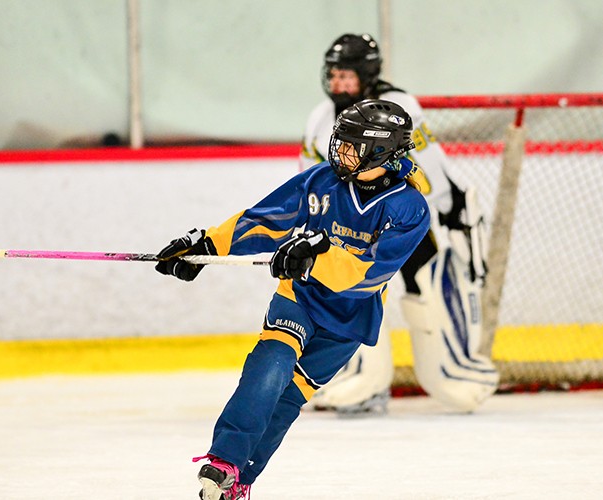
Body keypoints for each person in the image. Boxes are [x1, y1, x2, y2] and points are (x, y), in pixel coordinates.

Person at [156, 99, 430, 500]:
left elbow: (371, 275)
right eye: (341, 140)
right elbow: (267, 220)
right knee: (272, 361)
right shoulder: (321, 180)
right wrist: (207, 246)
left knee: (287, 402)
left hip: (347, 323)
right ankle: (225, 458)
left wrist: (316, 256)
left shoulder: (409, 209)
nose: (340, 150)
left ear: (381, 151)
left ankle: (241, 481)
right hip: (299, 298)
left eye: (352, 144)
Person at [300, 33, 499, 415]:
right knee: (350, 294)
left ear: (368, 75)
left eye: (347, 76)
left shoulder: (399, 105)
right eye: (334, 75)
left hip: (404, 221)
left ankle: (453, 372)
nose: (338, 84)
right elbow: (310, 176)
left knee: (428, 288)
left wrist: (451, 204)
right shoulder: (319, 117)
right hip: (349, 227)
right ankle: (362, 381)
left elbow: (430, 162)